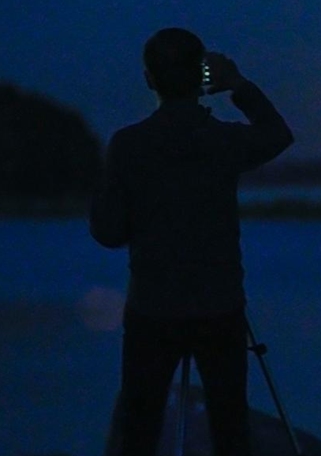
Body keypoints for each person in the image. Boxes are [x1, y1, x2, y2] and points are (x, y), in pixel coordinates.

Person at [89, 27, 293, 456]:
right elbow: (277, 134)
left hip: (153, 310)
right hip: (219, 307)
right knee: (229, 428)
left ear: (149, 79)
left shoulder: (129, 145)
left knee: (139, 428)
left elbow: (108, 232)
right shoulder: (221, 140)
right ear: (202, 77)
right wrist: (236, 83)